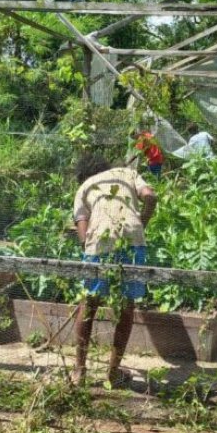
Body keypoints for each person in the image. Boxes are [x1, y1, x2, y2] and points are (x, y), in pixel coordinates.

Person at [72, 153, 157, 387]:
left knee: (88, 303)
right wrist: (141, 224)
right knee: (126, 305)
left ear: (84, 173)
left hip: (99, 240)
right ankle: (113, 371)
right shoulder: (127, 174)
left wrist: (88, 247)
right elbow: (150, 196)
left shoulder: (86, 186)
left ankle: (79, 371)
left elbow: (81, 223)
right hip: (132, 241)